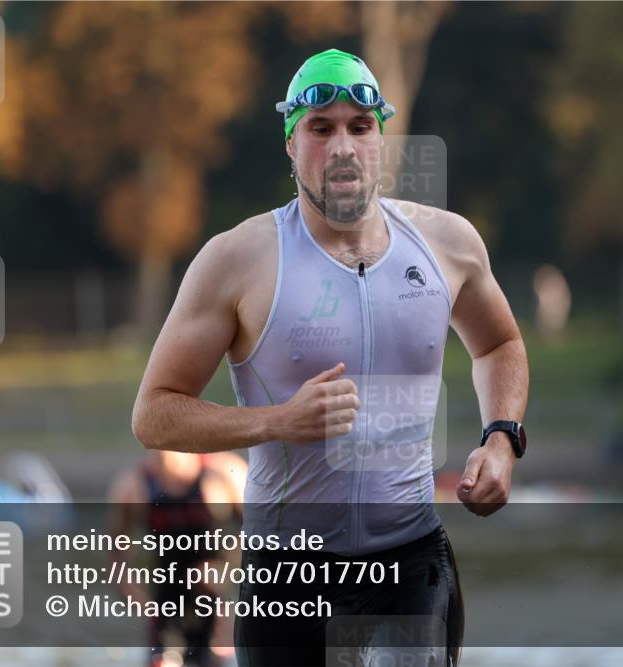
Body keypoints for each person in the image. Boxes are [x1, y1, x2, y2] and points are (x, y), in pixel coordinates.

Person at [131, 48, 529, 667]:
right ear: (291, 144)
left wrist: (501, 437)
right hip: (287, 577)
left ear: (380, 141)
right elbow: (153, 414)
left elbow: (499, 344)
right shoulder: (238, 260)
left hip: (411, 563)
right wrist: (277, 421)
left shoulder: (448, 244)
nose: (342, 146)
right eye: (321, 129)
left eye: (359, 128)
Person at [108, 449, 246, 667]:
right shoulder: (133, 483)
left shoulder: (223, 473)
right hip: (166, 600)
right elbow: (117, 548)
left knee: (213, 658)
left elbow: (257, 537)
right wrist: (130, 590)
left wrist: (229, 577)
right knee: (161, 661)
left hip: (214, 597)